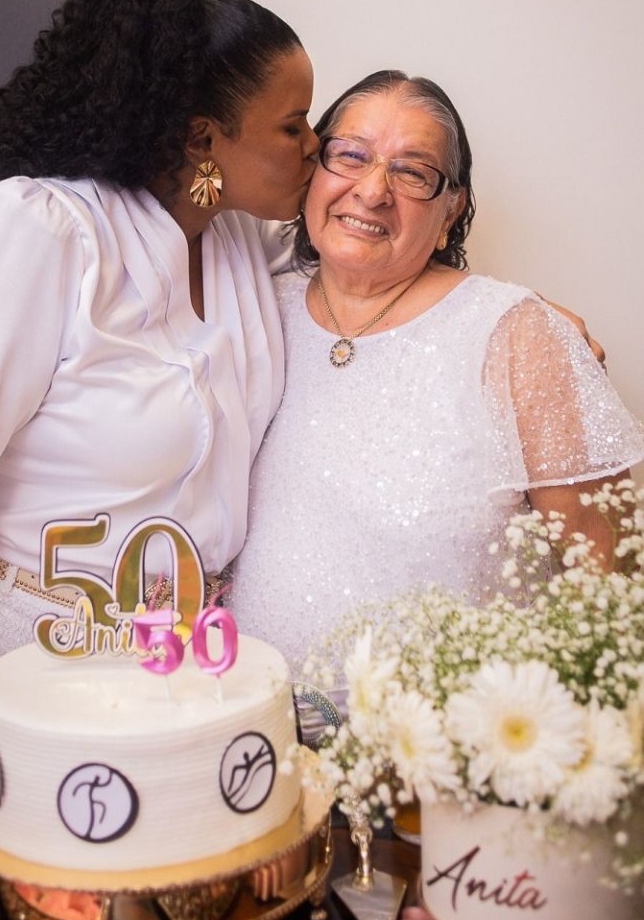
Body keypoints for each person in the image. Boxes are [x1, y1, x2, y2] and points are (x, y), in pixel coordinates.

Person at [0, 0, 318, 799]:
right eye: (292, 125)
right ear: (203, 138)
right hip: (13, 678)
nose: (314, 145)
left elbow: (362, 288)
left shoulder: (240, 246)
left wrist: (510, 317)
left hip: (183, 685)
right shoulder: (41, 232)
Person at [230, 70, 644, 680]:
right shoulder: (249, 305)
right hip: (245, 720)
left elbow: (609, 586)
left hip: (448, 732)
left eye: (412, 172)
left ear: (451, 209)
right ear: (313, 170)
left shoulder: (518, 334)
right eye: (350, 155)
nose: (373, 190)